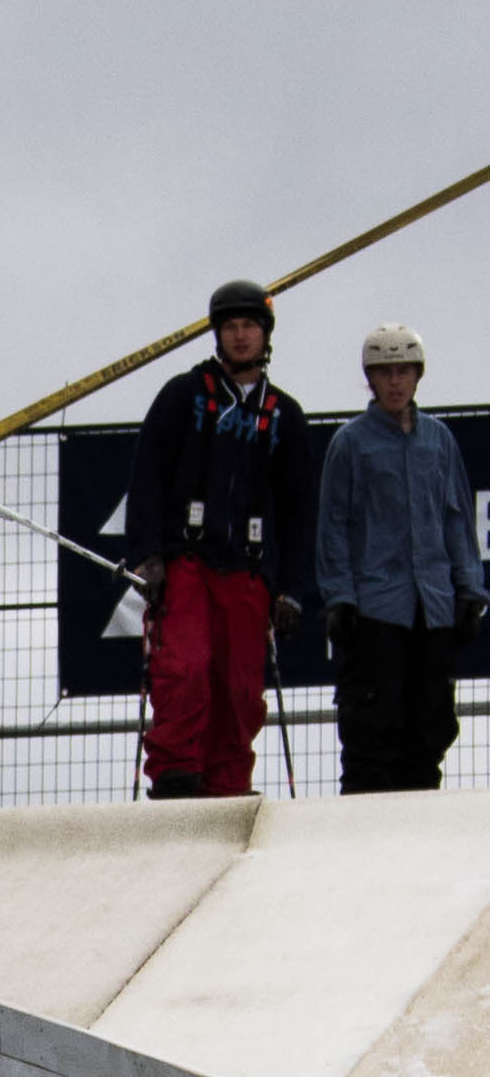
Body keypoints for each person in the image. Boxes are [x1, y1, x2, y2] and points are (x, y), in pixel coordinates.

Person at [126, 280, 314, 800]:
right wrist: (147, 555)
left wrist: (293, 587)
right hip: (186, 561)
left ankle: (229, 786)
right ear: (217, 334)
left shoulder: (283, 415)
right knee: (185, 665)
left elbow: (300, 511)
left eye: (249, 326)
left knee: (239, 685)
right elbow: (146, 478)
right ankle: (176, 774)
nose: (239, 336)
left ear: (265, 333)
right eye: (230, 327)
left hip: (250, 571)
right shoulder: (184, 396)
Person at [316, 321, 487, 794]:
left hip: (432, 608)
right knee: (373, 726)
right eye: (385, 371)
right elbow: (333, 526)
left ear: (418, 375)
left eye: (404, 371)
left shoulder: (439, 440)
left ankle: (419, 835)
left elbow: (457, 519)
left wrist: (469, 591)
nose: (395, 381)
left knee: (430, 725)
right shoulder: (350, 443)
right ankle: (365, 835)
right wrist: (340, 598)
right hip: (375, 609)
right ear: (370, 379)